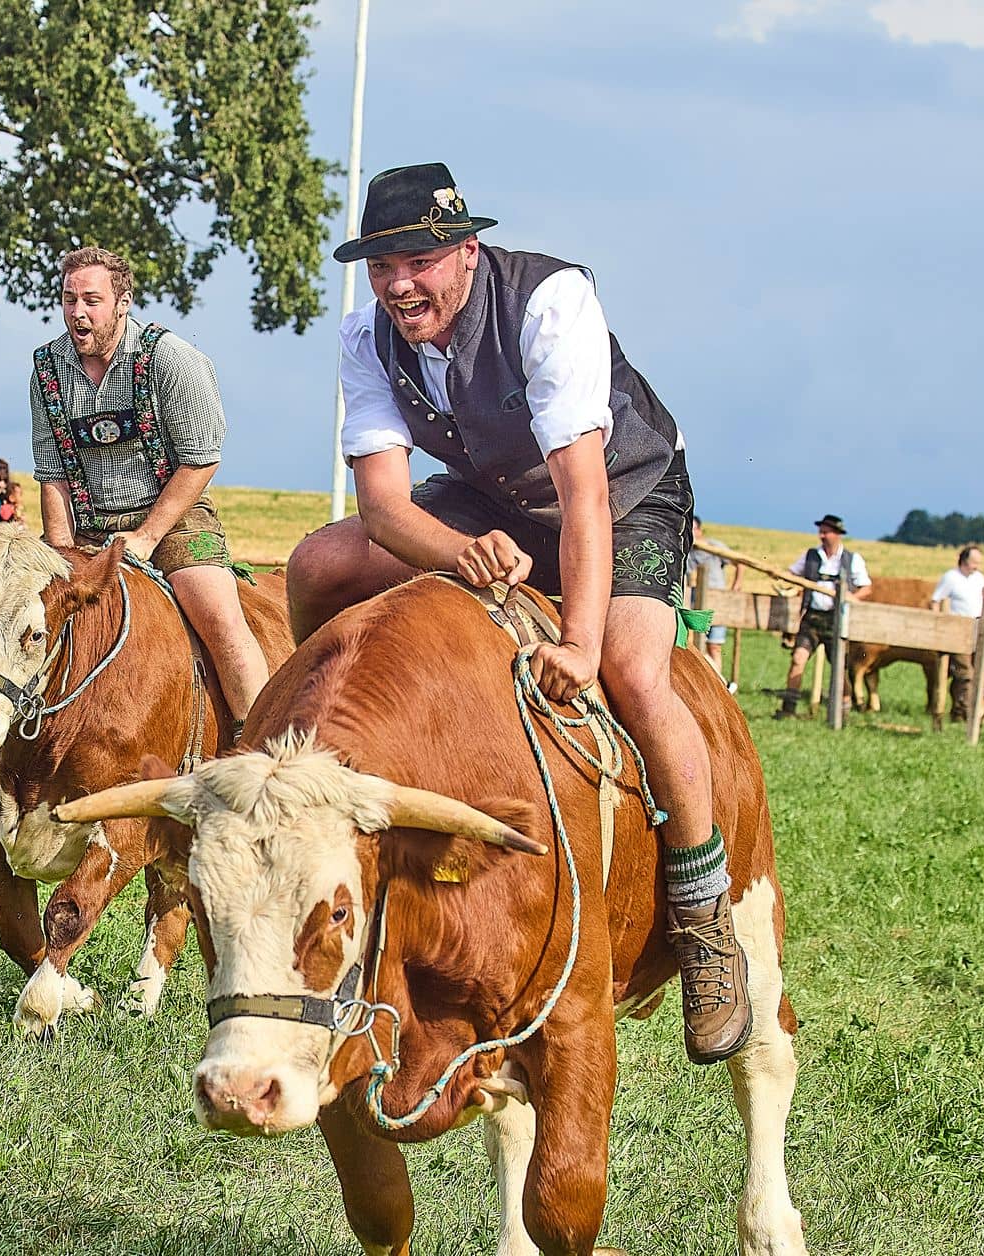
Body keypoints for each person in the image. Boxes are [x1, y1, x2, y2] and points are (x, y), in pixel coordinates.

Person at [275, 164, 746, 1063]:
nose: (399, 284)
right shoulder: (365, 336)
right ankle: (317, 759)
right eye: (381, 266)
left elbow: (583, 496)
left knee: (636, 674)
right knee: (320, 563)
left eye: (417, 259)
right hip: (489, 496)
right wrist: (461, 555)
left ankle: (703, 916)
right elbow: (382, 508)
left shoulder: (549, 302)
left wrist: (574, 641)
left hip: (623, 490)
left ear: (465, 250)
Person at [0, 246, 273, 841]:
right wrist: (60, 553)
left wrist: (144, 536)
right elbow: (53, 472)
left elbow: (200, 459)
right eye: (69, 299)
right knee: (1, 610)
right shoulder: (47, 368)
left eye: (91, 299)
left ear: (122, 301)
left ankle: (261, 767)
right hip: (83, 524)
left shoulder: (171, 359)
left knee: (219, 618)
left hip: (171, 516)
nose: (78, 312)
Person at [772, 515, 871, 720]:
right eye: (821, 531)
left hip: (837, 620)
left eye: (826, 532)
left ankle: (842, 713)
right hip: (812, 618)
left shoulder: (852, 559)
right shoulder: (810, 556)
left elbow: (866, 588)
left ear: (837, 534)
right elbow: (791, 574)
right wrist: (780, 575)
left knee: (839, 668)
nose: (822, 535)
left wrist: (850, 596)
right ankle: (788, 709)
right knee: (798, 659)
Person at [930, 544, 984, 730]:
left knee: (971, 673)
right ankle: (969, 712)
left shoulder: (979, 578)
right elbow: (935, 601)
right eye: (974, 562)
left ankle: (958, 710)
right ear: (964, 561)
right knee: (966, 673)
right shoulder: (951, 577)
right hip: (956, 632)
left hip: (976, 630)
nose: (977, 566)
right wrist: (938, 625)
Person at [685, 515, 740, 678]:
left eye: (694, 529)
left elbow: (739, 562)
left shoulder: (714, 547)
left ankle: (718, 681)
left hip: (717, 603)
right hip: (695, 604)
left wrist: (737, 584)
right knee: (693, 645)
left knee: (714, 646)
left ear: (700, 531)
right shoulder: (687, 552)